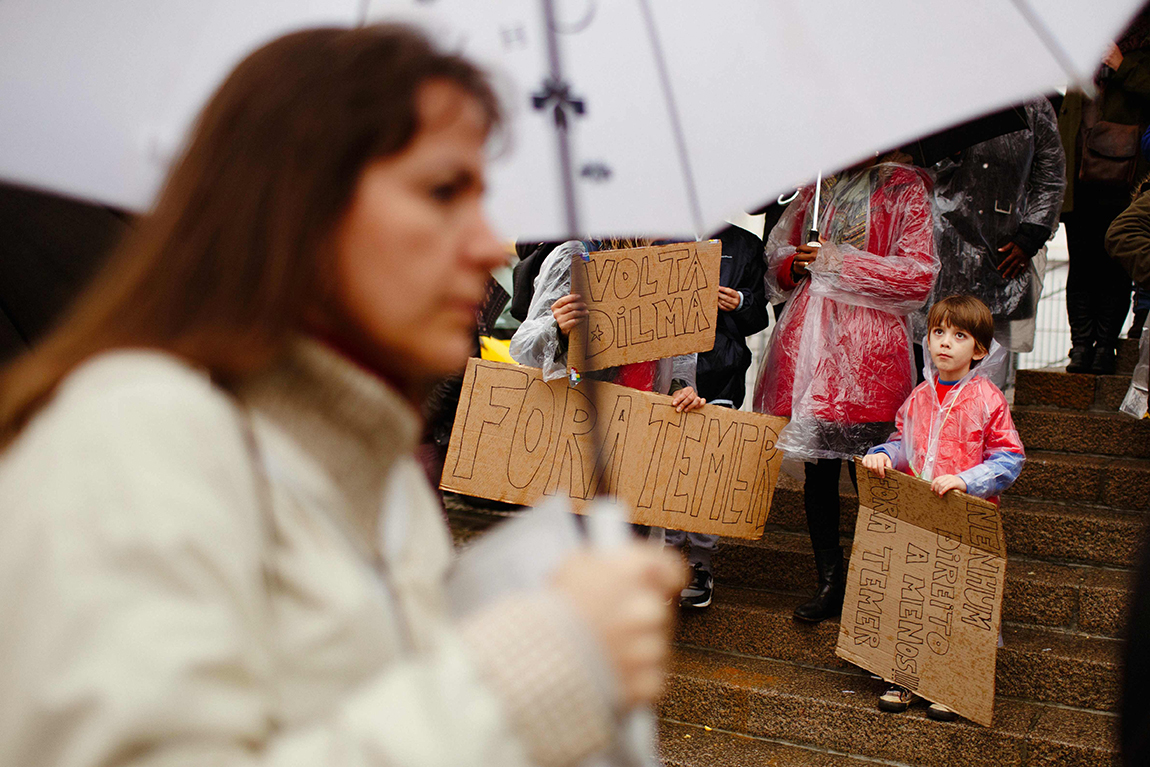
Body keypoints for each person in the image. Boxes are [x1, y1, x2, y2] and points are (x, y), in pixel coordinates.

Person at [0, 26, 687, 767]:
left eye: (484, 198)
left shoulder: (388, 487)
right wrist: (528, 676)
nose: (491, 246)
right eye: (442, 190)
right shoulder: (134, 440)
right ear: (295, 207)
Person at [752, 157, 939, 623]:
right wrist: (793, 265)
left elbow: (919, 276)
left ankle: (878, 583)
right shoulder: (816, 184)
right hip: (809, 347)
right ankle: (829, 581)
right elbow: (777, 261)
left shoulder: (903, 186)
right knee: (819, 471)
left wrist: (839, 262)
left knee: (874, 472)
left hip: (870, 352)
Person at [862, 295, 1025, 722]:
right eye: (938, 332)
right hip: (919, 514)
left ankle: (954, 682)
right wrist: (883, 453)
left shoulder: (988, 399)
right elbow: (904, 442)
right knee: (912, 593)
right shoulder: (918, 396)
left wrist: (968, 480)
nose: (945, 343)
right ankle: (906, 677)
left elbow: (1009, 458)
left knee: (958, 601)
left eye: (959, 335)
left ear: (979, 350)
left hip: (964, 517)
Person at [917, 98, 1065, 389]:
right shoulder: (949, 98)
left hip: (1004, 248)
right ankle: (936, 426)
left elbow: (1051, 176)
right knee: (940, 343)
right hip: (944, 243)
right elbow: (921, 170)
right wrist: (948, 152)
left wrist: (1030, 236)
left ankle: (983, 422)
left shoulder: (1032, 107)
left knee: (989, 356)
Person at [666, 223, 770, 609]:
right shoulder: (658, 235)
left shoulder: (745, 244)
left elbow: (759, 316)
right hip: (660, 374)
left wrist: (740, 302)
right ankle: (666, 557)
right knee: (663, 470)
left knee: (706, 472)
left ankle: (700, 564)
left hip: (720, 373)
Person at [1059, 10, 1150, 374]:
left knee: (1114, 265)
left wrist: (1122, 64)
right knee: (1080, 262)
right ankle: (1080, 345)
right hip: (1080, 171)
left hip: (1125, 174)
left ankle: (1106, 347)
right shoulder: (1083, 49)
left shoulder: (1141, 51)